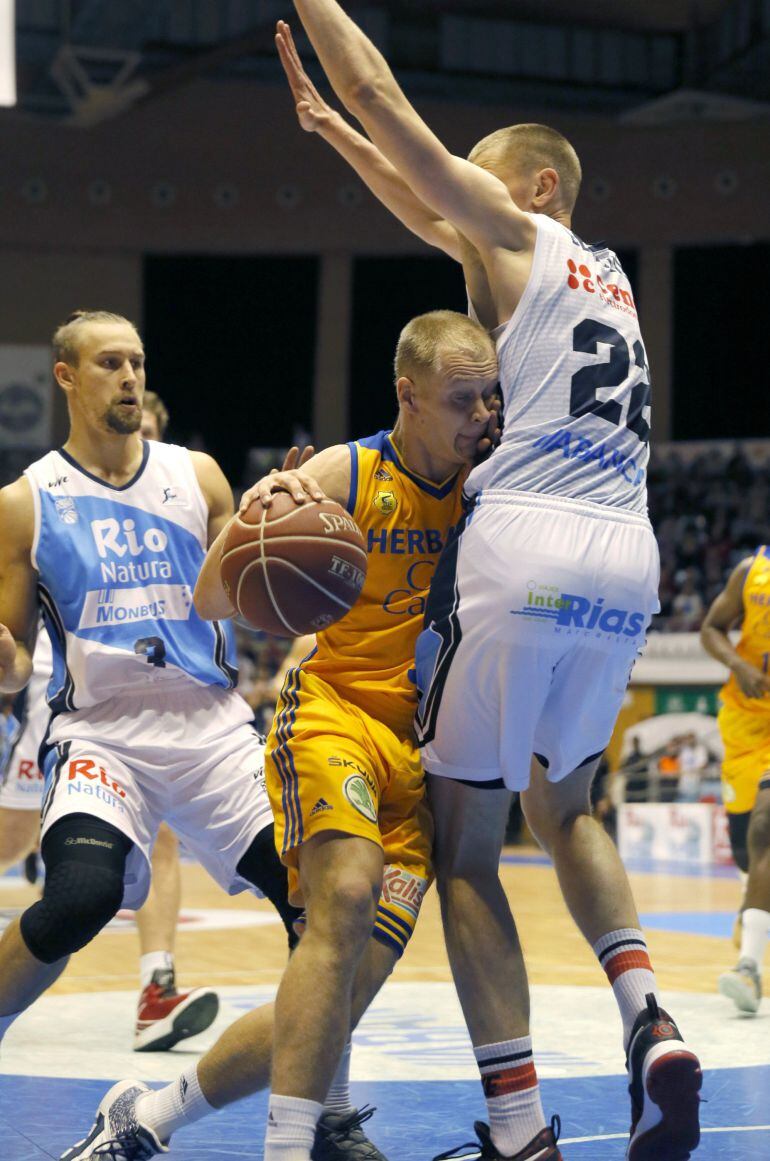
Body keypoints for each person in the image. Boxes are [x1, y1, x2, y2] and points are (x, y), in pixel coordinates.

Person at [277, 7, 702, 1159]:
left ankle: (516, 1128)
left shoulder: (521, 232)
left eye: (481, 178)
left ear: (535, 189)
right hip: (627, 556)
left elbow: (395, 115)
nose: (457, 193)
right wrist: (333, 137)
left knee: (468, 851)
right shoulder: (598, 281)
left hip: (527, 545)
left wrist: (331, 51)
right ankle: (646, 1017)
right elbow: (421, 203)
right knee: (568, 811)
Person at [58, 309, 499, 1161]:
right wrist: (262, 522)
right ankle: (290, 1147)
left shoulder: (494, 482)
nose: (481, 415)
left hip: (426, 751)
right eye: (462, 399)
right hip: (333, 710)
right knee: (339, 896)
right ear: (408, 396)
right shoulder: (349, 468)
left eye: (490, 396)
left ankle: (148, 1118)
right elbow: (212, 598)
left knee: (335, 1001)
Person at [0, 310, 304, 1082]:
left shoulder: (196, 476)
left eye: (136, 361)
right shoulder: (24, 504)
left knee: (317, 899)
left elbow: (247, 597)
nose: (130, 376)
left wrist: (285, 529)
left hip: (210, 727)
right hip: (102, 734)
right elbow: (12, 671)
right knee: (78, 900)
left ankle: (320, 1102)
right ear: (66, 375)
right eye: (109, 363)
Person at [0, 390, 221, 1053]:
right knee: (12, 838)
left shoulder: (177, 494)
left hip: (153, 709)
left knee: (160, 841)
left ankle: (158, 991)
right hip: (65, 697)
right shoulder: (52, 496)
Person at [701, 554, 770, 1014]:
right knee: (747, 850)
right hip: (745, 726)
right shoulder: (752, 571)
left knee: (765, 829)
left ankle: (750, 966)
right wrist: (739, 666)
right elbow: (710, 628)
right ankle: (755, 908)